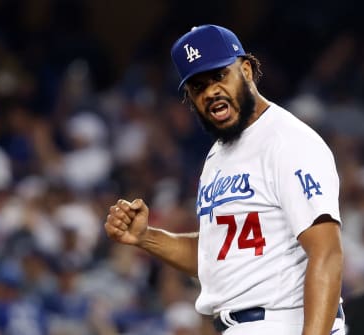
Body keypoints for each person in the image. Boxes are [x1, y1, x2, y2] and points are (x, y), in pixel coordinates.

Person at [104, 24, 345, 335]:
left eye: (219, 76)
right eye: (198, 86)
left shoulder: (286, 140)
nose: (211, 91)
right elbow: (218, 257)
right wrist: (146, 237)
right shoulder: (220, 154)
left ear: (246, 70)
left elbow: (326, 252)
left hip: (284, 322)